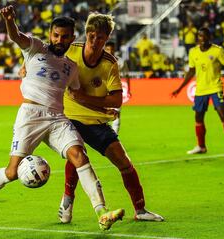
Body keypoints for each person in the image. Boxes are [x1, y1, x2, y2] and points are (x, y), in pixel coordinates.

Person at [0, 6, 124, 231]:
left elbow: (77, 96)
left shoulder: (71, 68)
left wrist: (103, 112)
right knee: (12, 172)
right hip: (30, 116)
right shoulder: (35, 48)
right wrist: (10, 21)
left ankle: (101, 212)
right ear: (50, 34)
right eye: (55, 35)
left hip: (56, 118)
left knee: (79, 156)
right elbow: (16, 36)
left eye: (64, 36)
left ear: (72, 38)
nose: (59, 39)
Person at [58, 12, 164, 223]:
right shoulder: (70, 50)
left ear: (107, 39)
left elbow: (116, 100)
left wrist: (85, 99)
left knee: (124, 162)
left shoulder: (109, 63)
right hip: (70, 118)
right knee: (78, 156)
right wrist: (28, 66)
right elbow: (43, 54)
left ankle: (140, 210)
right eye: (92, 36)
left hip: (96, 122)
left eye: (101, 38)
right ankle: (67, 201)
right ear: (87, 34)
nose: (95, 41)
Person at [171, 27, 224, 156]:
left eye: (203, 36)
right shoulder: (193, 52)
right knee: (198, 118)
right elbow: (191, 71)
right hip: (200, 90)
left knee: (223, 115)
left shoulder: (218, 51)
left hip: (215, 87)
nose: (201, 39)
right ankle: (201, 146)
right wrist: (179, 88)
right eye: (199, 36)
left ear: (209, 37)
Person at [104, 41, 131, 134]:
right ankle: (104, 136)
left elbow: (127, 75)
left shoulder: (121, 61)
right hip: (103, 91)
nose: (110, 51)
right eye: (108, 49)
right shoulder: (100, 61)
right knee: (103, 114)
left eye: (112, 49)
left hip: (116, 90)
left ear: (114, 50)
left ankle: (114, 136)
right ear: (105, 49)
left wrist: (129, 90)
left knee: (117, 114)